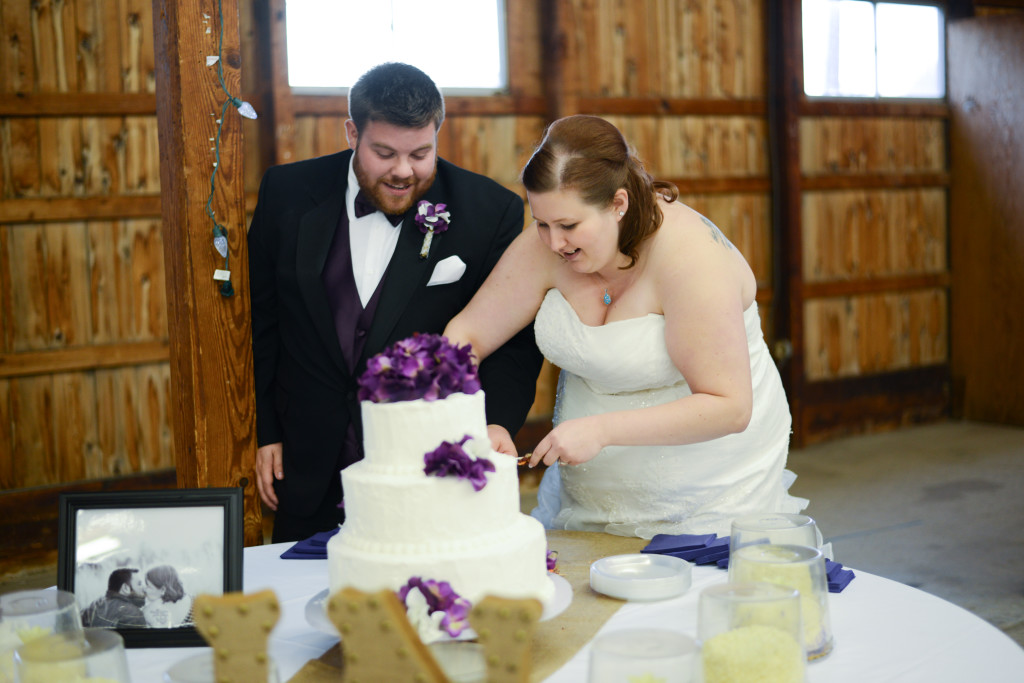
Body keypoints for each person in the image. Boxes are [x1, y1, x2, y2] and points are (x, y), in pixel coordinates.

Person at [444, 115, 807, 538]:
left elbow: (729, 405)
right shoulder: (546, 243)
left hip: (710, 486)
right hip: (588, 489)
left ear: (618, 204)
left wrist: (602, 430)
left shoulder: (691, 258)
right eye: (541, 223)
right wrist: (477, 421)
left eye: (568, 226)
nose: (553, 243)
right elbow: (465, 335)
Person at [248, 62, 543, 542]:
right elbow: (263, 322)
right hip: (305, 462)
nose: (404, 171)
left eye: (421, 153)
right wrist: (266, 431)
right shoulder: (286, 193)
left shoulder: (489, 212)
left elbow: (514, 339)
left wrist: (496, 423)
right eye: (384, 153)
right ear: (352, 133)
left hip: (426, 465)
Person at [81, 568, 147, 628]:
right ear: (125, 588)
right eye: (139, 584)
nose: (144, 588)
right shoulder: (134, 614)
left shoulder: (93, 605)